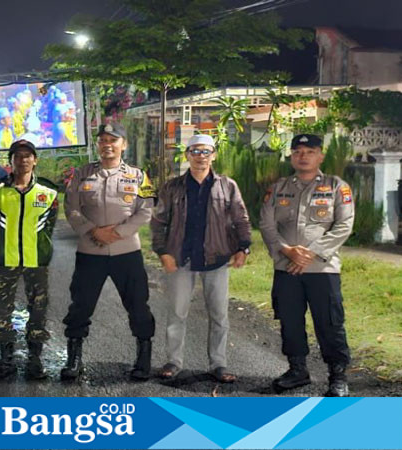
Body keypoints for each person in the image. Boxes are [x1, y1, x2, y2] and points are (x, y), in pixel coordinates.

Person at [150, 134, 252, 383]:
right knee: (177, 313)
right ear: (187, 155)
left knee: (219, 314)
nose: (200, 157)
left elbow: (241, 219)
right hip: (180, 259)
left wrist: (243, 247)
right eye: (195, 151)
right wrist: (163, 252)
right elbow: (158, 222)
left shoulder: (227, 186)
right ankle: (174, 361)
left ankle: (218, 363)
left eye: (205, 151)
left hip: (216, 260)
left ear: (213, 155)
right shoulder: (172, 187)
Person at [259, 133, 355, 397]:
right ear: (291, 156)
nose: (303, 156)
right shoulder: (278, 187)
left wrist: (310, 254)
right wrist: (287, 251)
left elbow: (344, 225)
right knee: (289, 320)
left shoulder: (337, 186)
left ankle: (337, 376)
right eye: (298, 152)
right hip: (286, 267)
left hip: (322, 270)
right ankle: (297, 370)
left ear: (320, 156)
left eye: (310, 151)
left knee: (330, 322)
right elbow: (267, 224)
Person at [61, 122, 156, 381]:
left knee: (138, 304)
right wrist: (93, 231)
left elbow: (147, 209)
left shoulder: (139, 176)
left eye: (113, 140)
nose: (107, 145)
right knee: (80, 306)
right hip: (90, 252)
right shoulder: (82, 173)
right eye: (103, 140)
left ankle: (143, 359)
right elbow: (71, 208)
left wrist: (117, 233)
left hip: (127, 253)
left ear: (123, 145)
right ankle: (74, 360)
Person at [0, 139, 59, 380]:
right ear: (11, 161)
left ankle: (35, 360)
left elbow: (50, 225)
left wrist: (41, 247)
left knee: (38, 309)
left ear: (35, 160)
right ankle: (6, 360)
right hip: (5, 259)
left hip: (36, 261)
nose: (23, 159)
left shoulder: (48, 192)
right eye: (18, 155)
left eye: (28, 155)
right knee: (2, 310)